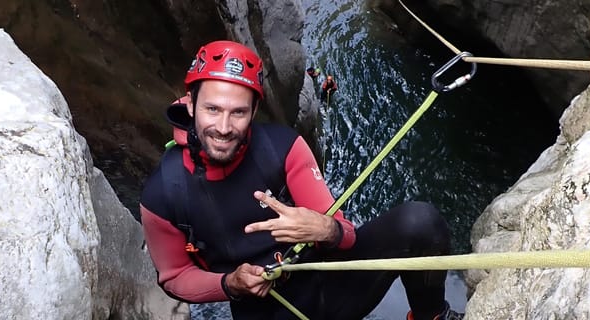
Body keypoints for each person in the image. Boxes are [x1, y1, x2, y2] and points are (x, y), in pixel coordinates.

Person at [140, 40, 460, 320]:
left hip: (331, 285)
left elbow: (346, 235)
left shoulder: (281, 148)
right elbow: (175, 277)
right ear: (191, 104)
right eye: (212, 109)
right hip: (261, 310)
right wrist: (230, 284)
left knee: (420, 224)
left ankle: (430, 316)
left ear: (253, 111)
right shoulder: (165, 192)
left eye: (237, 112)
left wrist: (326, 228)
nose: (223, 127)